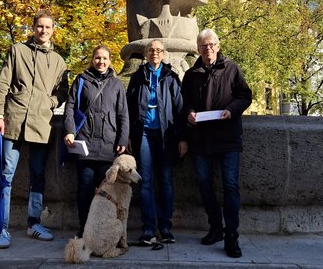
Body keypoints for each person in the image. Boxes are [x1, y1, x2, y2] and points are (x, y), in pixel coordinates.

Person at [0, 9, 69, 249]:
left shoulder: (58, 61)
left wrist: (51, 102)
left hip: (41, 123)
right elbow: (3, 83)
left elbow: (63, 91)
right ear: (33, 28)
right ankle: (1, 228)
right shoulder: (17, 50)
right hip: (14, 120)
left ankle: (33, 223)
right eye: (39, 26)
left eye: (47, 27)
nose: (43, 30)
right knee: (6, 174)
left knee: (38, 176)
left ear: (53, 30)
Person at [181, 29, 252, 258]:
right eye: (203, 46)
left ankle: (232, 235)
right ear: (198, 49)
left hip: (227, 137)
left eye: (211, 44)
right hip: (201, 139)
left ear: (218, 47)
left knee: (230, 185)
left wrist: (231, 111)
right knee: (203, 183)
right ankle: (215, 227)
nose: (207, 48)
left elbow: (245, 96)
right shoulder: (191, 74)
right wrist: (190, 112)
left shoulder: (232, 69)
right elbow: (185, 102)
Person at [64, 45, 129, 238]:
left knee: (107, 194)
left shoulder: (116, 84)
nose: (101, 62)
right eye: (97, 58)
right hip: (85, 144)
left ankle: (103, 229)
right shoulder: (81, 80)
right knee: (84, 191)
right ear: (92, 59)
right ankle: (84, 228)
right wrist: (69, 131)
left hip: (109, 145)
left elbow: (123, 114)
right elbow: (70, 108)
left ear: (110, 61)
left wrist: (123, 139)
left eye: (104, 58)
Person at [126, 39, 187, 245]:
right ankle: (148, 228)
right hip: (143, 133)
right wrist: (128, 136)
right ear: (146, 53)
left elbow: (180, 110)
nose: (155, 53)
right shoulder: (137, 77)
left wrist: (182, 137)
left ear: (164, 54)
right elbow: (128, 108)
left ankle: (166, 227)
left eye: (159, 50)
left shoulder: (171, 77)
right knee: (145, 182)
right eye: (151, 50)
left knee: (166, 181)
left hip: (166, 135)